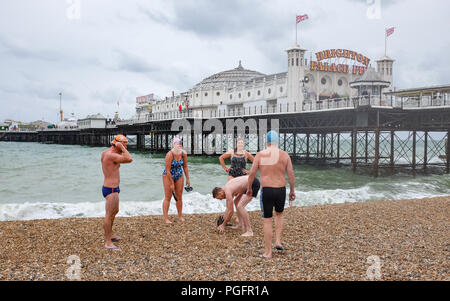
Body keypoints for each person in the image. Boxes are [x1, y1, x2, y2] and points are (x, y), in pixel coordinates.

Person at [246, 130, 296, 259]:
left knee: (267, 220)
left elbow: (252, 173)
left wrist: (249, 188)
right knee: (279, 215)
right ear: (276, 142)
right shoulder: (285, 155)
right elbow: (291, 174)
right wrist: (292, 190)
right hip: (281, 190)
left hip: (267, 190)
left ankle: (268, 253)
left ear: (267, 142)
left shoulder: (260, 154)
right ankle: (277, 241)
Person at [101, 134, 133, 250]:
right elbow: (129, 159)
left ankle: (111, 234)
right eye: (125, 146)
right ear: (118, 145)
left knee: (115, 211)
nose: (126, 148)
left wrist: (120, 147)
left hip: (112, 188)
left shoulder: (106, 152)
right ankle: (108, 242)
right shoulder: (111, 155)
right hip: (111, 189)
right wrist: (122, 148)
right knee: (109, 215)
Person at [162, 137, 190, 224]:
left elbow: (185, 166)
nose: (179, 145)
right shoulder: (170, 154)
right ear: (174, 145)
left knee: (179, 196)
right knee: (168, 197)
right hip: (168, 175)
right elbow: (168, 170)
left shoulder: (183, 154)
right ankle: (166, 218)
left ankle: (180, 216)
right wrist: (171, 183)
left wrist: (188, 179)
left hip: (179, 174)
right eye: (178, 143)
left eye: (181, 143)